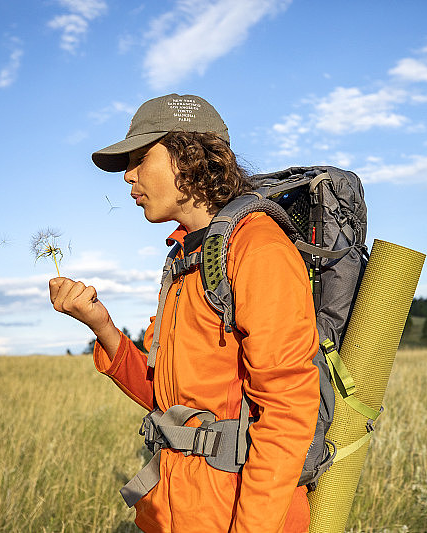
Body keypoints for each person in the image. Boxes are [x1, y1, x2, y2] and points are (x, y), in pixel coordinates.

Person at [49, 94, 320, 532]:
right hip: (175, 511)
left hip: (236, 515)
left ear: (190, 155)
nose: (129, 177)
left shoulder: (258, 248)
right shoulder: (187, 260)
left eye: (139, 158)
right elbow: (166, 399)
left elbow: (288, 414)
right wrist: (101, 325)